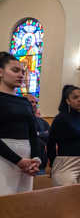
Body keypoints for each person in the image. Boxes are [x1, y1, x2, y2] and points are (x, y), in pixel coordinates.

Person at [0, 51, 40, 195]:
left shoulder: (25, 102)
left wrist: (36, 160)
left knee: (22, 202)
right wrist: (18, 161)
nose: (21, 75)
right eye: (15, 70)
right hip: (4, 157)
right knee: (4, 202)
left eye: (22, 72)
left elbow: (33, 134)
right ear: (1, 72)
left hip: (27, 160)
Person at [47, 85, 80, 186]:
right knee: (67, 198)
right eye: (75, 97)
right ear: (67, 101)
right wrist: (53, 164)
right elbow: (51, 142)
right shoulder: (61, 118)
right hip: (66, 163)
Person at [27, 93, 51, 175]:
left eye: (35, 102)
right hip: (26, 160)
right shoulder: (19, 120)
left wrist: (36, 134)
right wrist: (43, 136)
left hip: (40, 162)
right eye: (31, 102)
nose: (34, 104)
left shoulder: (42, 122)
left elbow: (50, 136)